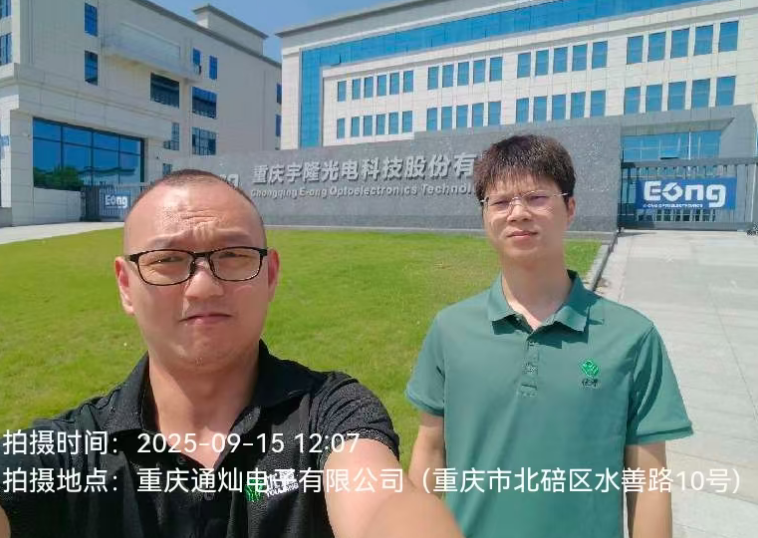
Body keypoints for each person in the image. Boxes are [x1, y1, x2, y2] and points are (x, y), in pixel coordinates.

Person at [0, 170, 463, 538]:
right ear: (126, 285)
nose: (203, 287)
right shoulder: (66, 453)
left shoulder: (331, 413)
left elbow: (381, 502)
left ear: (270, 275)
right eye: (167, 260)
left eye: (234, 255)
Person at [405, 135, 693, 538]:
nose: (518, 213)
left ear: (570, 208)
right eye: (500, 202)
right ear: (485, 216)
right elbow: (431, 450)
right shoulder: (450, 329)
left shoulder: (632, 339)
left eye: (537, 197)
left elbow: (647, 480)